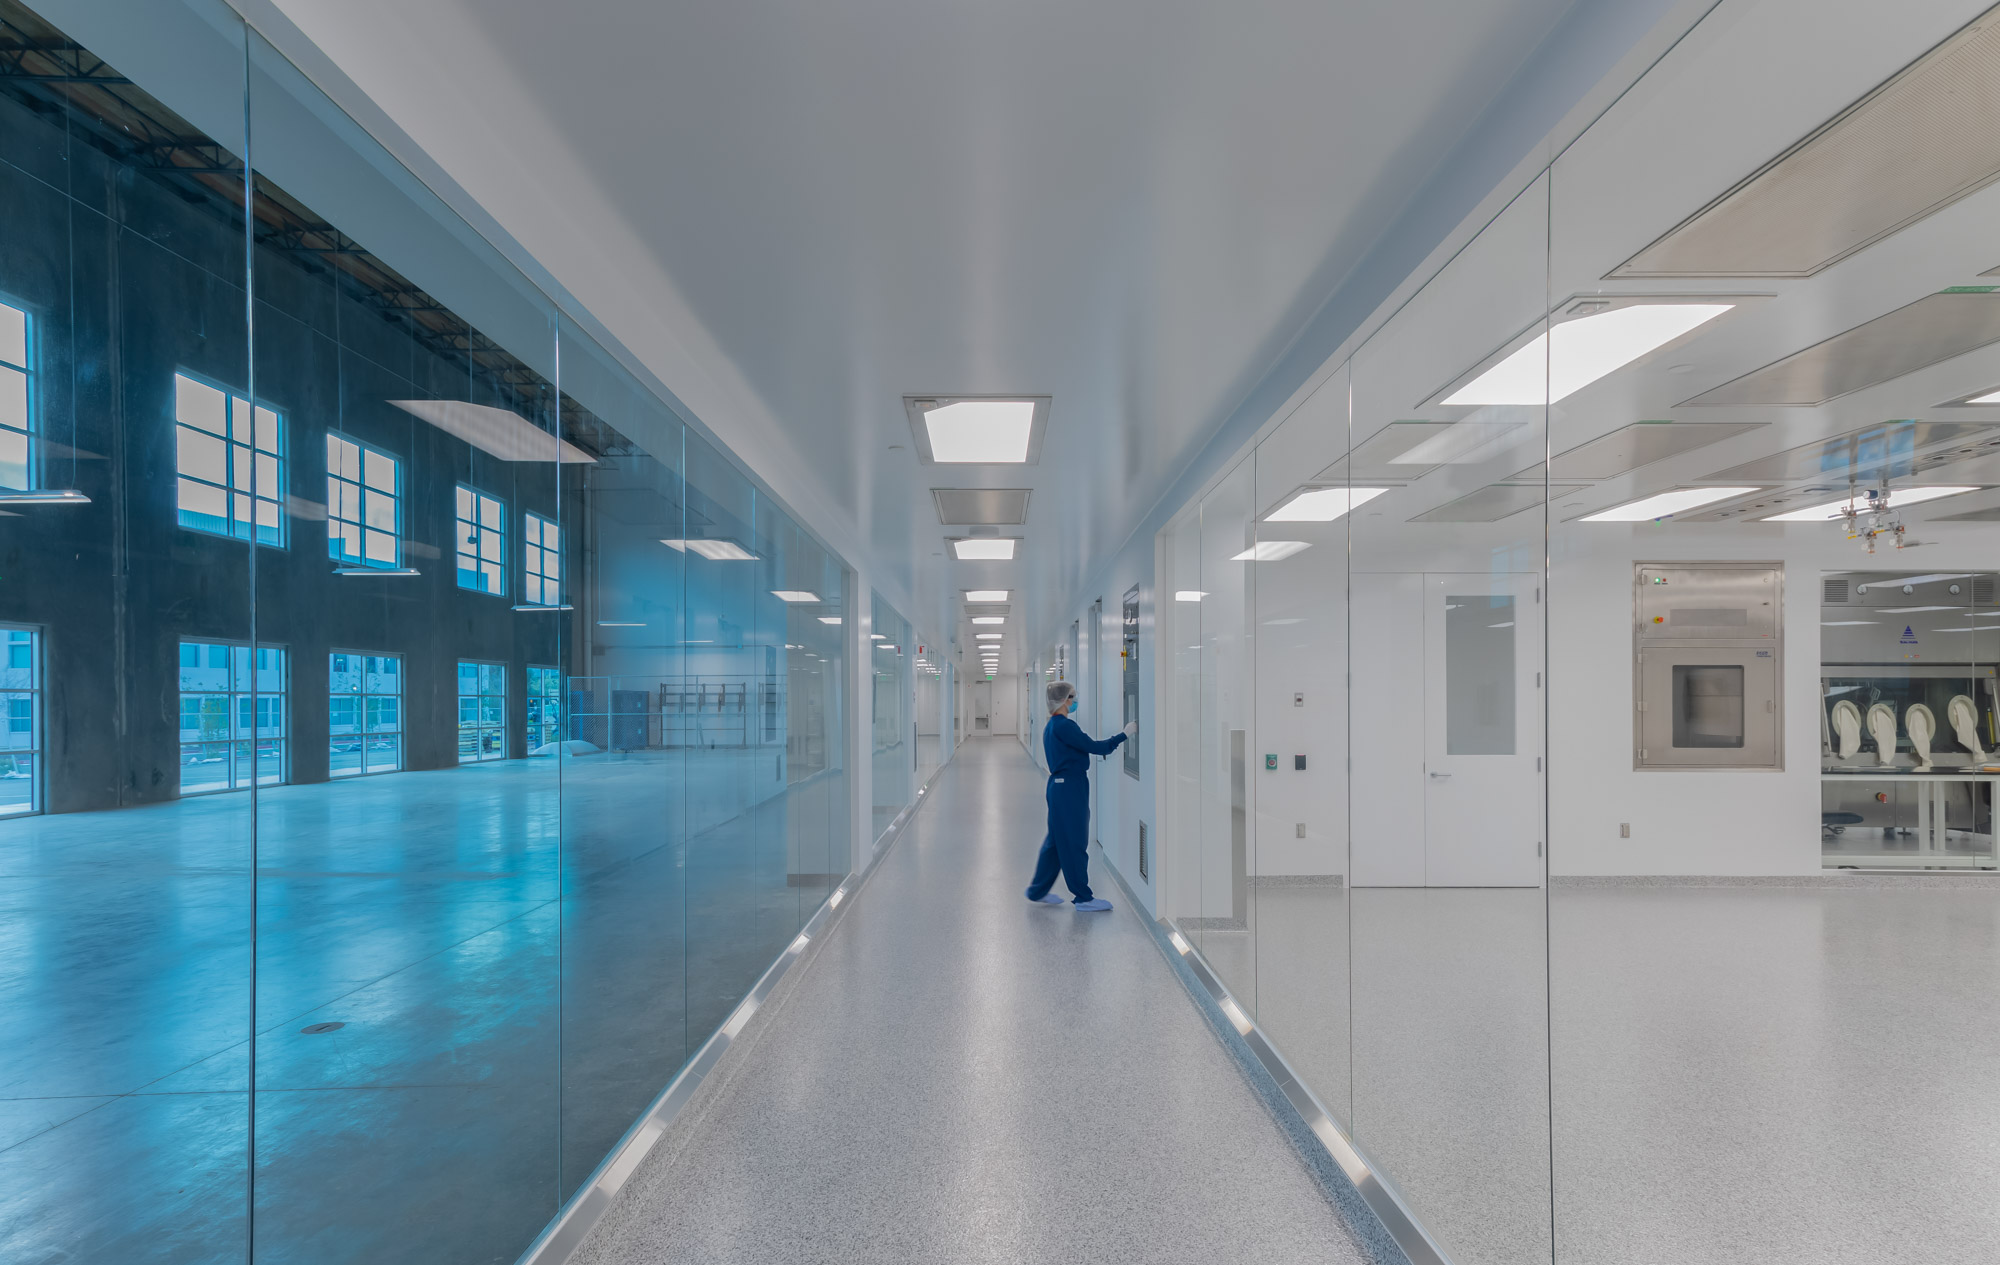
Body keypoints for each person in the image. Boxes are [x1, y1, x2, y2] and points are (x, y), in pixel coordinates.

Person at [1026, 680, 1137, 911]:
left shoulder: (1051, 726)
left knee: (1056, 843)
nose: (1074, 700)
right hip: (1069, 789)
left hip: (1058, 787)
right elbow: (1096, 747)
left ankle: (1038, 890)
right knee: (1074, 841)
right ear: (1064, 700)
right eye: (1072, 696)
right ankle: (1083, 898)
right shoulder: (1065, 726)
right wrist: (1124, 735)